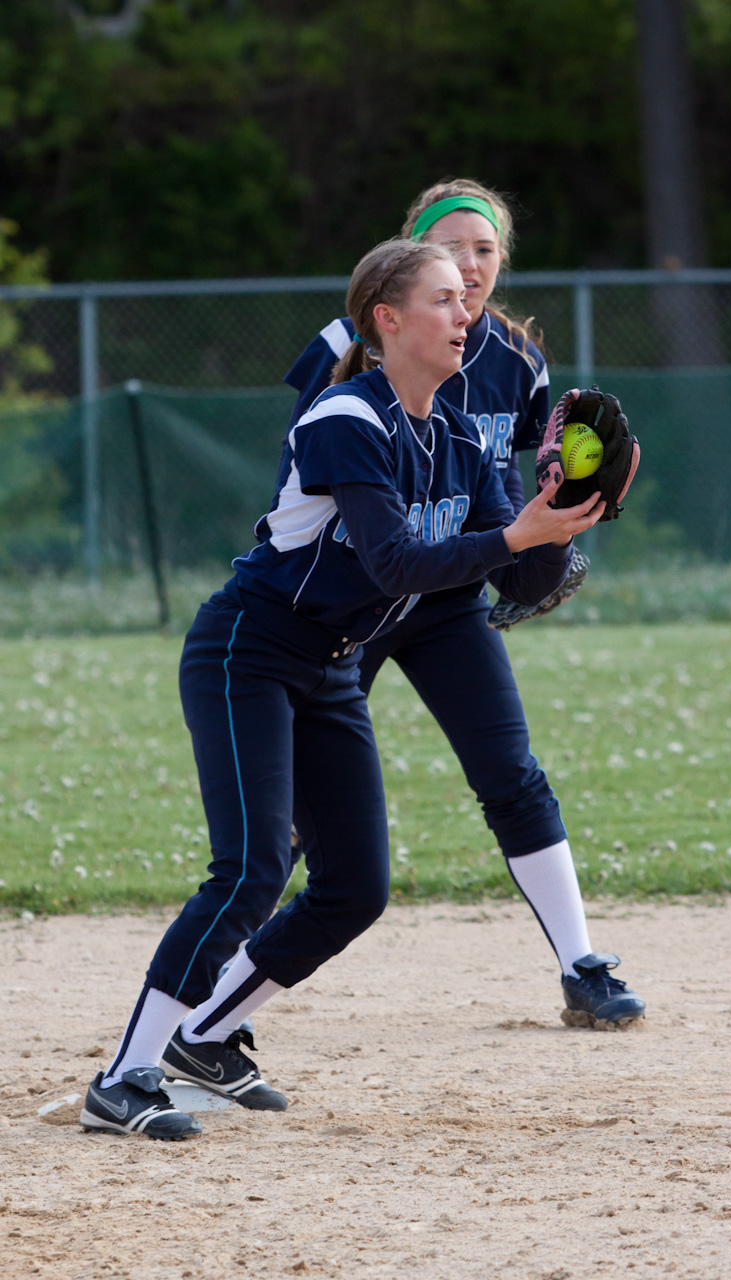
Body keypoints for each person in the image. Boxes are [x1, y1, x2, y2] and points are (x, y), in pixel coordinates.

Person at [80, 237, 606, 1141]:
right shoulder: (343, 418)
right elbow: (393, 561)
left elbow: (516, 581)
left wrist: (561, 511)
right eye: (442, 299)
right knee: (250, 869)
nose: (465, 313)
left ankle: (204, 1039)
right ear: (385, 320)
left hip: (329, 667)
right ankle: (123, 1077)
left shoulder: (457, 438)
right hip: (249, 650)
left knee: (355, 887)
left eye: (466, 298)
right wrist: (515, 536)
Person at [284, 179, 646, 1034]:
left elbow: (508, 502)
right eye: (450, 249)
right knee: (296, 799)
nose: (471, 266)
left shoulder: (517, 361)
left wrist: (558, 520)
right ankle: (215, 978)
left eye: (485, 250)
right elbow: (311, 469)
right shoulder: (350, 342)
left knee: (511, 773)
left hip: (446, 597)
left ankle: (581, 966)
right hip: (349, 600)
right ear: (410, 260)